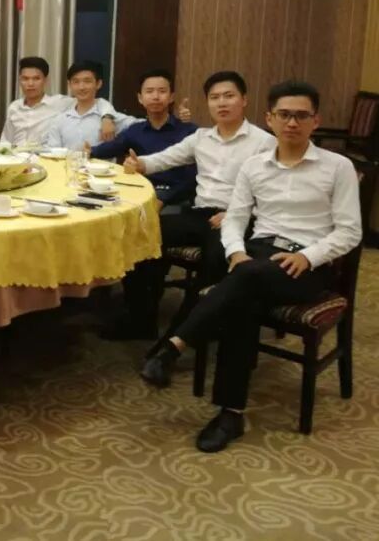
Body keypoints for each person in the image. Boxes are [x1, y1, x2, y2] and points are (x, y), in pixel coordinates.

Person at [140, 81, 361, 452]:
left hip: (307, 265)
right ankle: (230, 414)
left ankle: (174, 347)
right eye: (284, 114)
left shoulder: (338, 167)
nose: (292, 122)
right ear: (269, 118)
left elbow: (350, 231)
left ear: (316, 120)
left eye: (301, 115)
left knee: (243, 281)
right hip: (257, 257)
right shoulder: (254, 165)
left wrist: (308, 256)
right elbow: (236, 218)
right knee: (242, 302)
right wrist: (235, 252)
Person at [119, 70, 276, 336]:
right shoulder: (201, 137)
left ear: (244, 100)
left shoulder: (264, 142)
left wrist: (236, 214)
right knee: (139, 236)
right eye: (215, 97)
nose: (222, 103)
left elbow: (272, 194)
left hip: (236, 219)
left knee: (213, 262)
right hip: (199, 214)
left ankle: (180, 337)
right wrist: (140, 163)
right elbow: (165, 158)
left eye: (229, 96)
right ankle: (141, 320)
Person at [90, 69, 197, 208]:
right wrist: (90, 151)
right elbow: (113, 146)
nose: (156, 96)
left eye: (162, 91)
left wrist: (163, 198)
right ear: (140, 98)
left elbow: (193, 178)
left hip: (176, 201)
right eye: (149, 91)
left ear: (171, 97)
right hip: (141, 194)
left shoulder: (189, 131)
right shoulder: (135, 130)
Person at [44, 61, 140, 150]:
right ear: (69, 85)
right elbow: (52, 152)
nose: (81, 87)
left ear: (98, 84)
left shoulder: (111, 118)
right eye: (76, 82)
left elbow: (143, 127)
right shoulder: (60, 120)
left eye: (87, 81)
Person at [0, 57, 72, 146]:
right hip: (15, 153)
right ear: (20, 80)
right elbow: (6, 140)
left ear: (45, 80)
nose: (30, 84)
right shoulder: (14, 107)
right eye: (25, 79)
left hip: (42, 154)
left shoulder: (60, 103)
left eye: (36, 78)